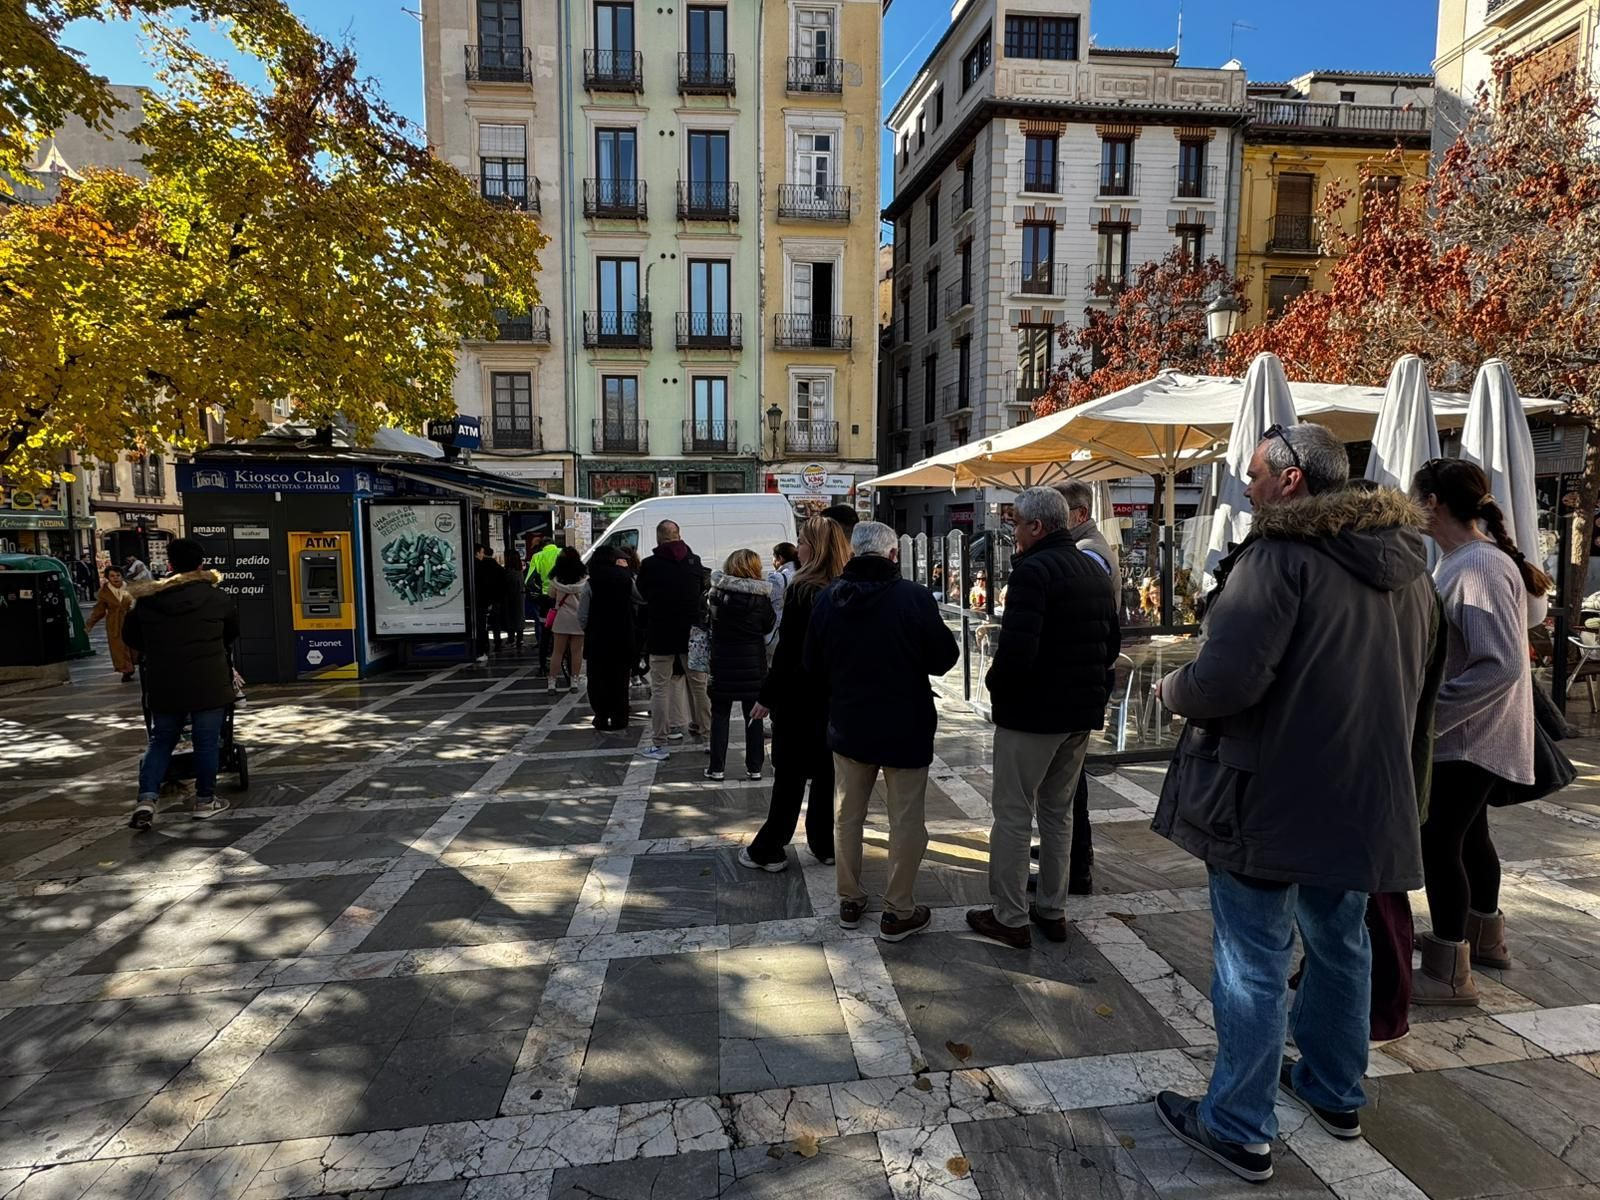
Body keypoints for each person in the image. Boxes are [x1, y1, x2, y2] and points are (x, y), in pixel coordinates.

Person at [1148, 423, 1435, 1182]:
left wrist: (1171, 688)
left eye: (1253, 474)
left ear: (1291, 481)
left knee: (1253, 957)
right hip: (1362, 793)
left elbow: (1227, 680)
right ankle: (1335, 1089)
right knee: (1342, 943)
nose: (1245, 487)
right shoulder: (1412, 566)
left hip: (1267, 792)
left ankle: (1239, 1125)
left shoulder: (1280, 557)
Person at [1411, 458, 1547, 1005]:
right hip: (1476, 736)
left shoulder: (1479, 566)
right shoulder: (1464, 561)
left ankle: (1448, 970)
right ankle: (1482, 939)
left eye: (1412, 496)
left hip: (1469, 739)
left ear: (1433, 503)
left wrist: (1432, 718)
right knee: (1468, 838)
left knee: (1439, 842)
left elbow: (1501, 665)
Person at [966, 488, 1120, 949]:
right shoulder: (1092, 568)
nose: (1012, 532)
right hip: (1078, 714)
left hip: (1033, 715)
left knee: (1013, 815)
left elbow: (1018, 652)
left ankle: (1009, 916)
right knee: (1058, 814)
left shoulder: (1034, 571)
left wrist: (996, 687)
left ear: (1036, 527)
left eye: (1016, 524)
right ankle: (1052, 910)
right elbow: (1109, 646)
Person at [805, 521, 960, 942]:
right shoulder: (913, 597)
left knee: (847, 816)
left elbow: (811, 667)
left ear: (854, 553)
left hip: (849, 723)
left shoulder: (827, 600)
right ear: (893, 555)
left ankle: (850, 899)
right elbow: (945, 658)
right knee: (906, 820)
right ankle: (899, 910)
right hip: (904, 724)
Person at [742, 516, 852, 872]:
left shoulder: (803, 591)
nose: (798, 547)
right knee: (825, 774)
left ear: (815, 549)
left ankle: (769, 848)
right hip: (834, 700)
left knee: (789, 777)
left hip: (800, 698)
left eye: (803, 541)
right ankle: (824, 844)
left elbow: (789, 653)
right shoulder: (844, 588)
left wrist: (766, 696)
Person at [122, 537, 240, 829]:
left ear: (170, 564)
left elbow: (131, 637)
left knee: (161, 740)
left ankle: (146, 800)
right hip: (208, 681)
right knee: (206, 743)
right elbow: (231, 633)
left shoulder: (148, 600)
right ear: (201, 564)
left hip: (164, 681)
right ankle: (204, 800)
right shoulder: (217, 598)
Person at [1042, 480, 1124, 895]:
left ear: (1077, 514)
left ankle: (1076, 863)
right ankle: (1068, 851)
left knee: (1069, 781)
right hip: (1082, 676)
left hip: (1077, 678)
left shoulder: (1088, 553)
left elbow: (1091, 620)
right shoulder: (1086, 547)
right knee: (1067, 778)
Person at [637, 520, 712, 762]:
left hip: (661, 633)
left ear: (659, 539)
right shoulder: (695, 562)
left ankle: (659, 742)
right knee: (699, 686)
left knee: (660, 688)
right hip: (692, 634)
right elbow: (701, 590)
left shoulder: (649, 565)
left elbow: (643, 594)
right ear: (679, 536)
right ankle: (709, 738)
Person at [705, 550, 775, 781]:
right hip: (752, 665)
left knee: (720, 715)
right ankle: (755, 767)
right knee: (753, 716)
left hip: (722, 663)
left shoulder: (715, 595)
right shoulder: (761, 598)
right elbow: (768, 626)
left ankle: (717, 768)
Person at [582, 552, 641, 731]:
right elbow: (640, 598)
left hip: (598, 640)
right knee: (620, 679)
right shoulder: (626, 579)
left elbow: (582, 615)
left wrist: (589, 630)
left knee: (597, 679)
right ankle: (620, 717)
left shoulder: (591, 583)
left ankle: (601, 715)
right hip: (622, 638)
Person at [546, 547, 588, 695]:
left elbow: (551, 595)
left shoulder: (556, 578)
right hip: (578, 619)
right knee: (576, 652)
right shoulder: (584, 578)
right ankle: (574, 682)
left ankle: (552, 683)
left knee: (557, 652)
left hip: (561, 619)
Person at [86, 565, 136, 681]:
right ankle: (126, 670)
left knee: (133, 645)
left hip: (130, 620)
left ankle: (133, 665)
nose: (115, 578)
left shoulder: (130, 587)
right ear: (108, 578)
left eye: (118, 575)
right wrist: (90, 624)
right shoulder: (104, 592)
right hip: (115, 623)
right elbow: (99, 610)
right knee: (119, 647)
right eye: (112, 576)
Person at [766, 542, 799, 659]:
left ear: (780, 558)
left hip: (777, 633)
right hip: (797, 632)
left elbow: (767, 603)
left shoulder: (776, 579)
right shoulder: (803, 574)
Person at [472, 544, 504, 662]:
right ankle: (482, 650)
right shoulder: (482, 566)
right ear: (477, 553)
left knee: (480, 626)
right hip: (483, 601)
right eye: (481, 552)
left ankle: (481, 649)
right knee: (483, 626)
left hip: (478, 601)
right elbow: (485, 586)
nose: (482, 555)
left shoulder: (473, 565)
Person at [502, 546, 527, 650]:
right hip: (520, 597)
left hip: (510, 598)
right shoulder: (520, 572)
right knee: (519, 617)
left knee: (511, 618)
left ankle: (512, 639)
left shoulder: (508, 573)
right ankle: (519, 639)